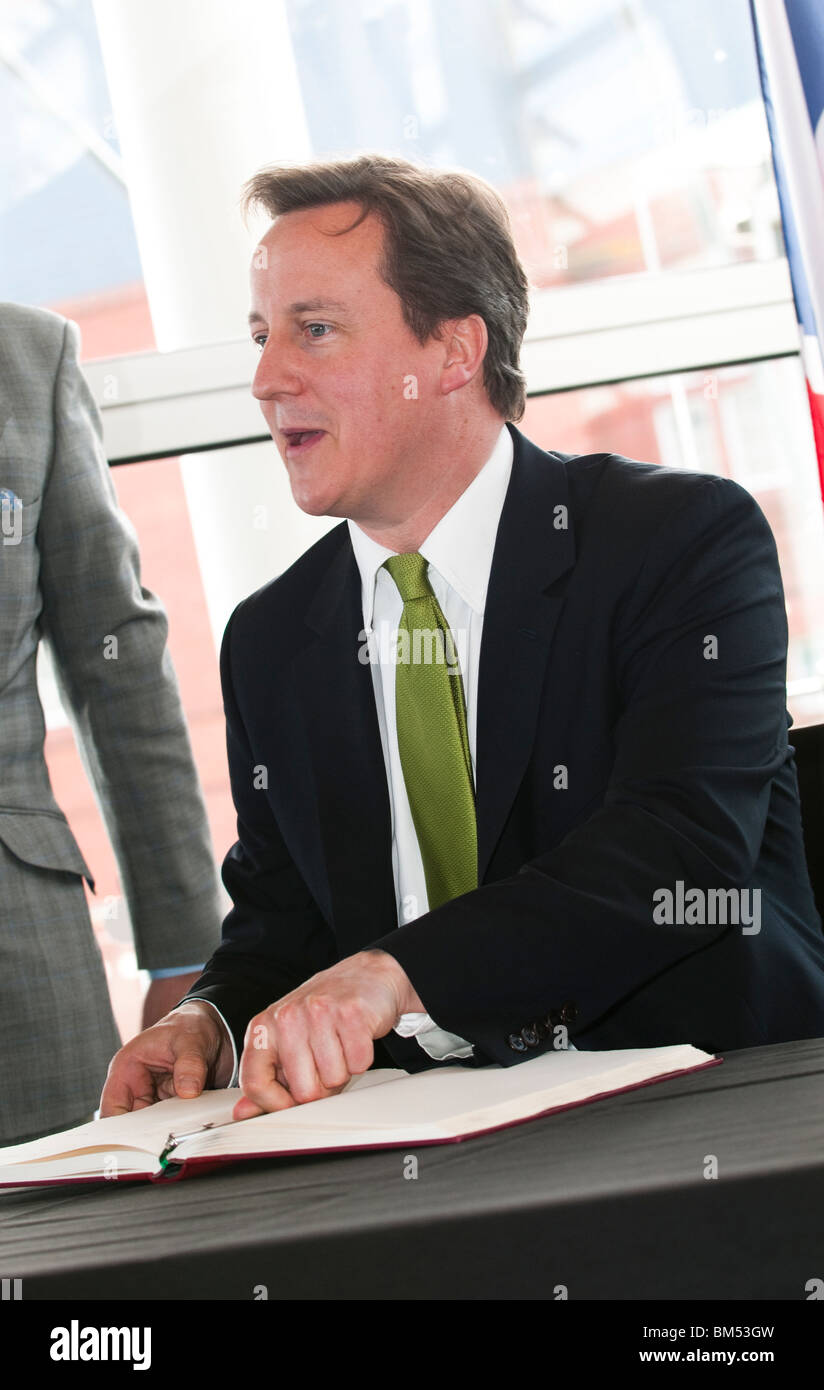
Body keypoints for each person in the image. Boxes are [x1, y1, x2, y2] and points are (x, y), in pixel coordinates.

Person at [99, 153, 824, 1124]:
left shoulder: (676, 541)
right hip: (411, 1142)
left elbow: (675, 857)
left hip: (699, 1109)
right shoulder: (270, 638)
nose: (269, 379)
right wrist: (214, 1020)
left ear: (452, 352)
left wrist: (396, 975)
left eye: (314, 330)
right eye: (263, 337)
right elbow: (286, 917)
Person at [0, 301, 223, 1144]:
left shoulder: (27, 356)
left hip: (21, 974)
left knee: (62, 1262)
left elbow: (117, 662)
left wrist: (185, 953)